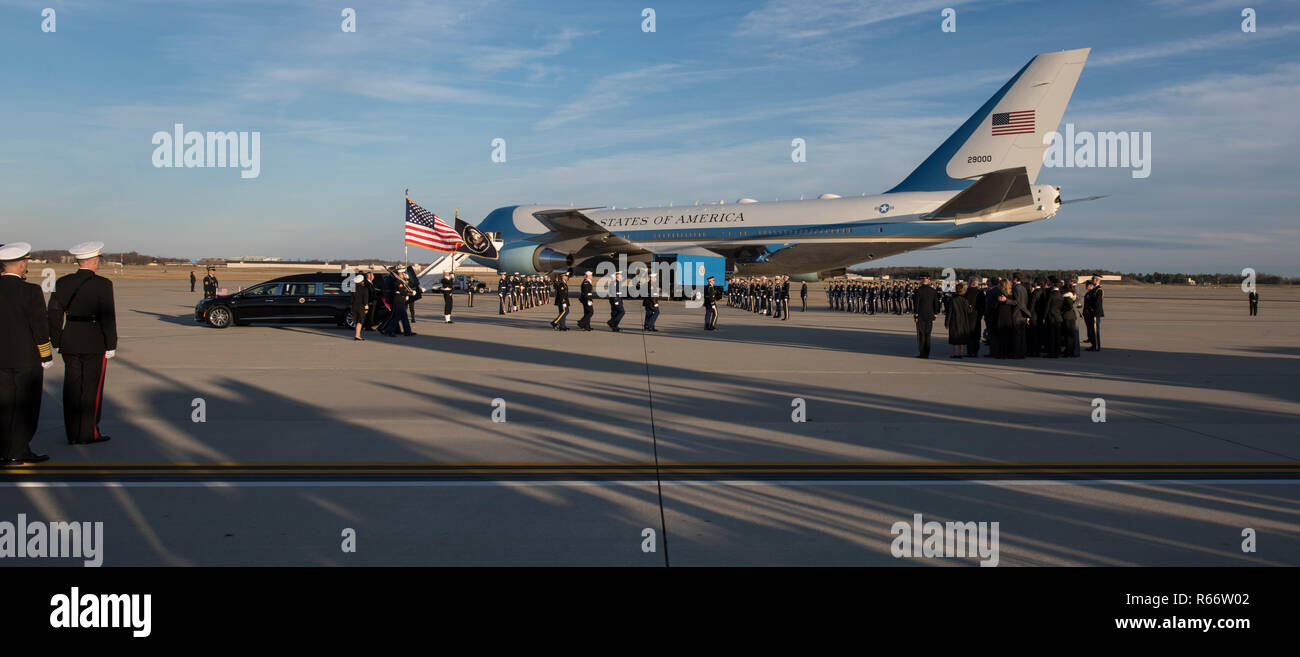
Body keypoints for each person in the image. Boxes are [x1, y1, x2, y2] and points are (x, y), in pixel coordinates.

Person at [48, 241, 118, 446]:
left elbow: (53, 313)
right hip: (94, 341)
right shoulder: (103, 284)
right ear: (94, 261)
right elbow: (108, 317)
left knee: (71, 388)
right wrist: (111, 344)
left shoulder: (62, 283)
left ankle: (73, 433)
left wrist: (57, 339)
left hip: (69, 340)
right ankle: (89, 432)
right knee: (91, 389)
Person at [0, 243, 53, 465]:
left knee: (3, 405)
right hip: (26, 359)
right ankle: (18, 451)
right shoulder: (30, 291)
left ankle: (3, 450)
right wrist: (46, 355)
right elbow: (40, 327)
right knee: (25, 406)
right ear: (22, 264)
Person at [912, 274, 940, 358]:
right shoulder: (933, 290)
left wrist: (916, 315)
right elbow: (936, 304)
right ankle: (927, 353)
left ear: (921, 281)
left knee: (921, 334)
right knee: (928, 334)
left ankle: (922, 353)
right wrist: (935, 314)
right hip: (930, 315)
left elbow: (916, 304)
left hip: (920, 315)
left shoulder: (918, 290)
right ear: (928, 281)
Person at [945, 282, 974, 358]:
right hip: (963, 321)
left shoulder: (953, 300)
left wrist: (947, 323)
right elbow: (969, 311)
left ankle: (955, 353)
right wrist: (971, 307)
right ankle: (960, 353)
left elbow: (949, 312)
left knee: (955, 338)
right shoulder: (965, 300)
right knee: (961, 338)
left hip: (955, 321)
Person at [350, 274, 369, 341]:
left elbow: (351, 299)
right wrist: (366, 308)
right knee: (360, 321)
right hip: (361, 306)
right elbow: (365, 300)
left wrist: (351, 306)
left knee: (356, 321)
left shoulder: (353, 289)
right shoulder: (364, 289)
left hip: (354, 306)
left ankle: (357, 335)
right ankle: (357, 335)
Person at [1087, 275, 1104, 351]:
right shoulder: (1094, 289)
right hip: (1092, 312)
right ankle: (1093, 345)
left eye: (1093, 279)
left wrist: (1092, 310)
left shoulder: (1099, 290)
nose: (1092, 280)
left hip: (1095, 313)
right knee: (1092, 330)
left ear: (1097, 280)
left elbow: (1098, 303)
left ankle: (1096, 346)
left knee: (1095, 330)